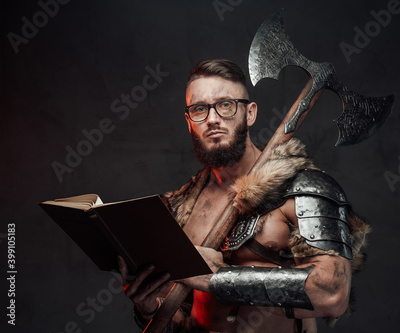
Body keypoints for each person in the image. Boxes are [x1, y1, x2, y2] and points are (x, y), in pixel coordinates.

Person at [119, 59, 369, 332]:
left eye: (225, 105)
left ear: (250, 113)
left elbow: (331, 294)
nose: (212, 119)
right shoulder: (182, 209)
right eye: (199, 109)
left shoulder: (303, 189)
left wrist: (216, 277)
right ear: (189, 121)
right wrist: (149, 308)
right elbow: (183, 319)